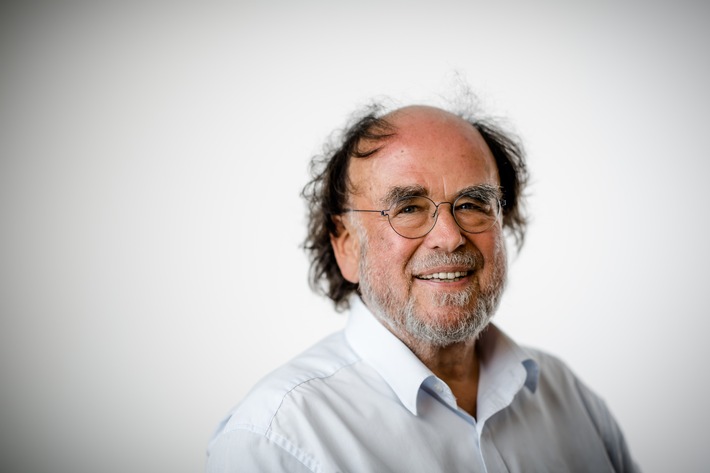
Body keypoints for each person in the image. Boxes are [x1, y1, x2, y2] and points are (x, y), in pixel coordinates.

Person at [206, 102, 639, 472]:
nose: (449, 237)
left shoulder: (565, 395)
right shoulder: (276, 439)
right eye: (409, 208)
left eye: (472, 204)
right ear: (347, 245)